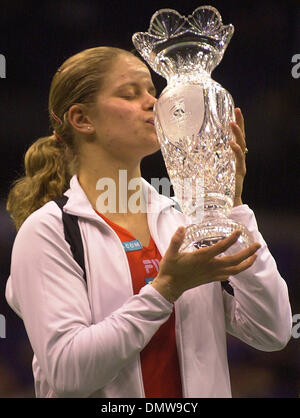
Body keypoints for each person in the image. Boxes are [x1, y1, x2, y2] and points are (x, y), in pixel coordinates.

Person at [5, 46, 292, 398]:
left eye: (152, 93)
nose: (153, 104)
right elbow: (68, 371)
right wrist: (165, 289)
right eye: (130, 94)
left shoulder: (183, 223)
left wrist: (232, 207)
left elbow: (273, 331)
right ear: (82, 119)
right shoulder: (51, 231)